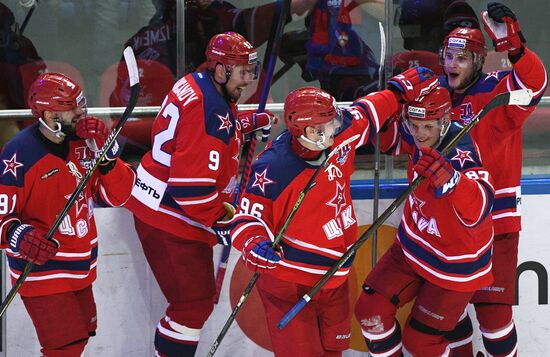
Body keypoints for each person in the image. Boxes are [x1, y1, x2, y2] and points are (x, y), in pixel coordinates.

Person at [228, 66, 440, 356]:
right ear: (306, 131)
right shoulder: (275, 167)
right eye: (327, 127)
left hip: (334, 278)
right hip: (290, 284)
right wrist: (254, 244)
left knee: (333, 351)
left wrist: (398, 92)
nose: (336, 129)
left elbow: (366, 112)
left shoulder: (337, 134)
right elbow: (246, 219)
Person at [123, 32, 275, 357]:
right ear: (220, 70)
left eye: (251, 71)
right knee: (192, 306)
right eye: (242, 71)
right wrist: (226, 222)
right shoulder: (211, 109)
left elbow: (190, 134)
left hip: (160, 205)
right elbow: (192, 192)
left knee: (194, 304)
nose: (248, 80)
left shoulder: (196, 84)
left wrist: (241, 125)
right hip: (170, 218)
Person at [354, 86, 495, 357]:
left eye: (427, 127)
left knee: (421, 344)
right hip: (413, 249)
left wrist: (454, 182)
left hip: (454, 264)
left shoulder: (460, 151)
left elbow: (481, 207)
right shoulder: (420, 132)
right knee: (370, 312)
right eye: (413, 124)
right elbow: (386, 136)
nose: (419, 134)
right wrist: (394, 90)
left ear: (444, 122)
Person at [0, 72, 135, 356]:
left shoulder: (85, 144)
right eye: (72, 107)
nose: (81, 112)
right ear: (50, 114)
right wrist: (18, 235)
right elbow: (3, 215)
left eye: (81, 104)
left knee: (80, 340)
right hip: (41, 270)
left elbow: (118, 196)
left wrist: (108, 156)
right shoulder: (19, 154)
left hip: (81, 265)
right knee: (65, 349)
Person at [439, 3, 547, 356]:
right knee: (448, 317)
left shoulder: (498, 92)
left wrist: (514, 48)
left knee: (495, 319)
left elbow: (535, 84)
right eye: (447, 56)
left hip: (495, 223)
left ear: (478, 60)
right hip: (448, 224)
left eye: (461, 57)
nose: (452, 64)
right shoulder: (435, 97)